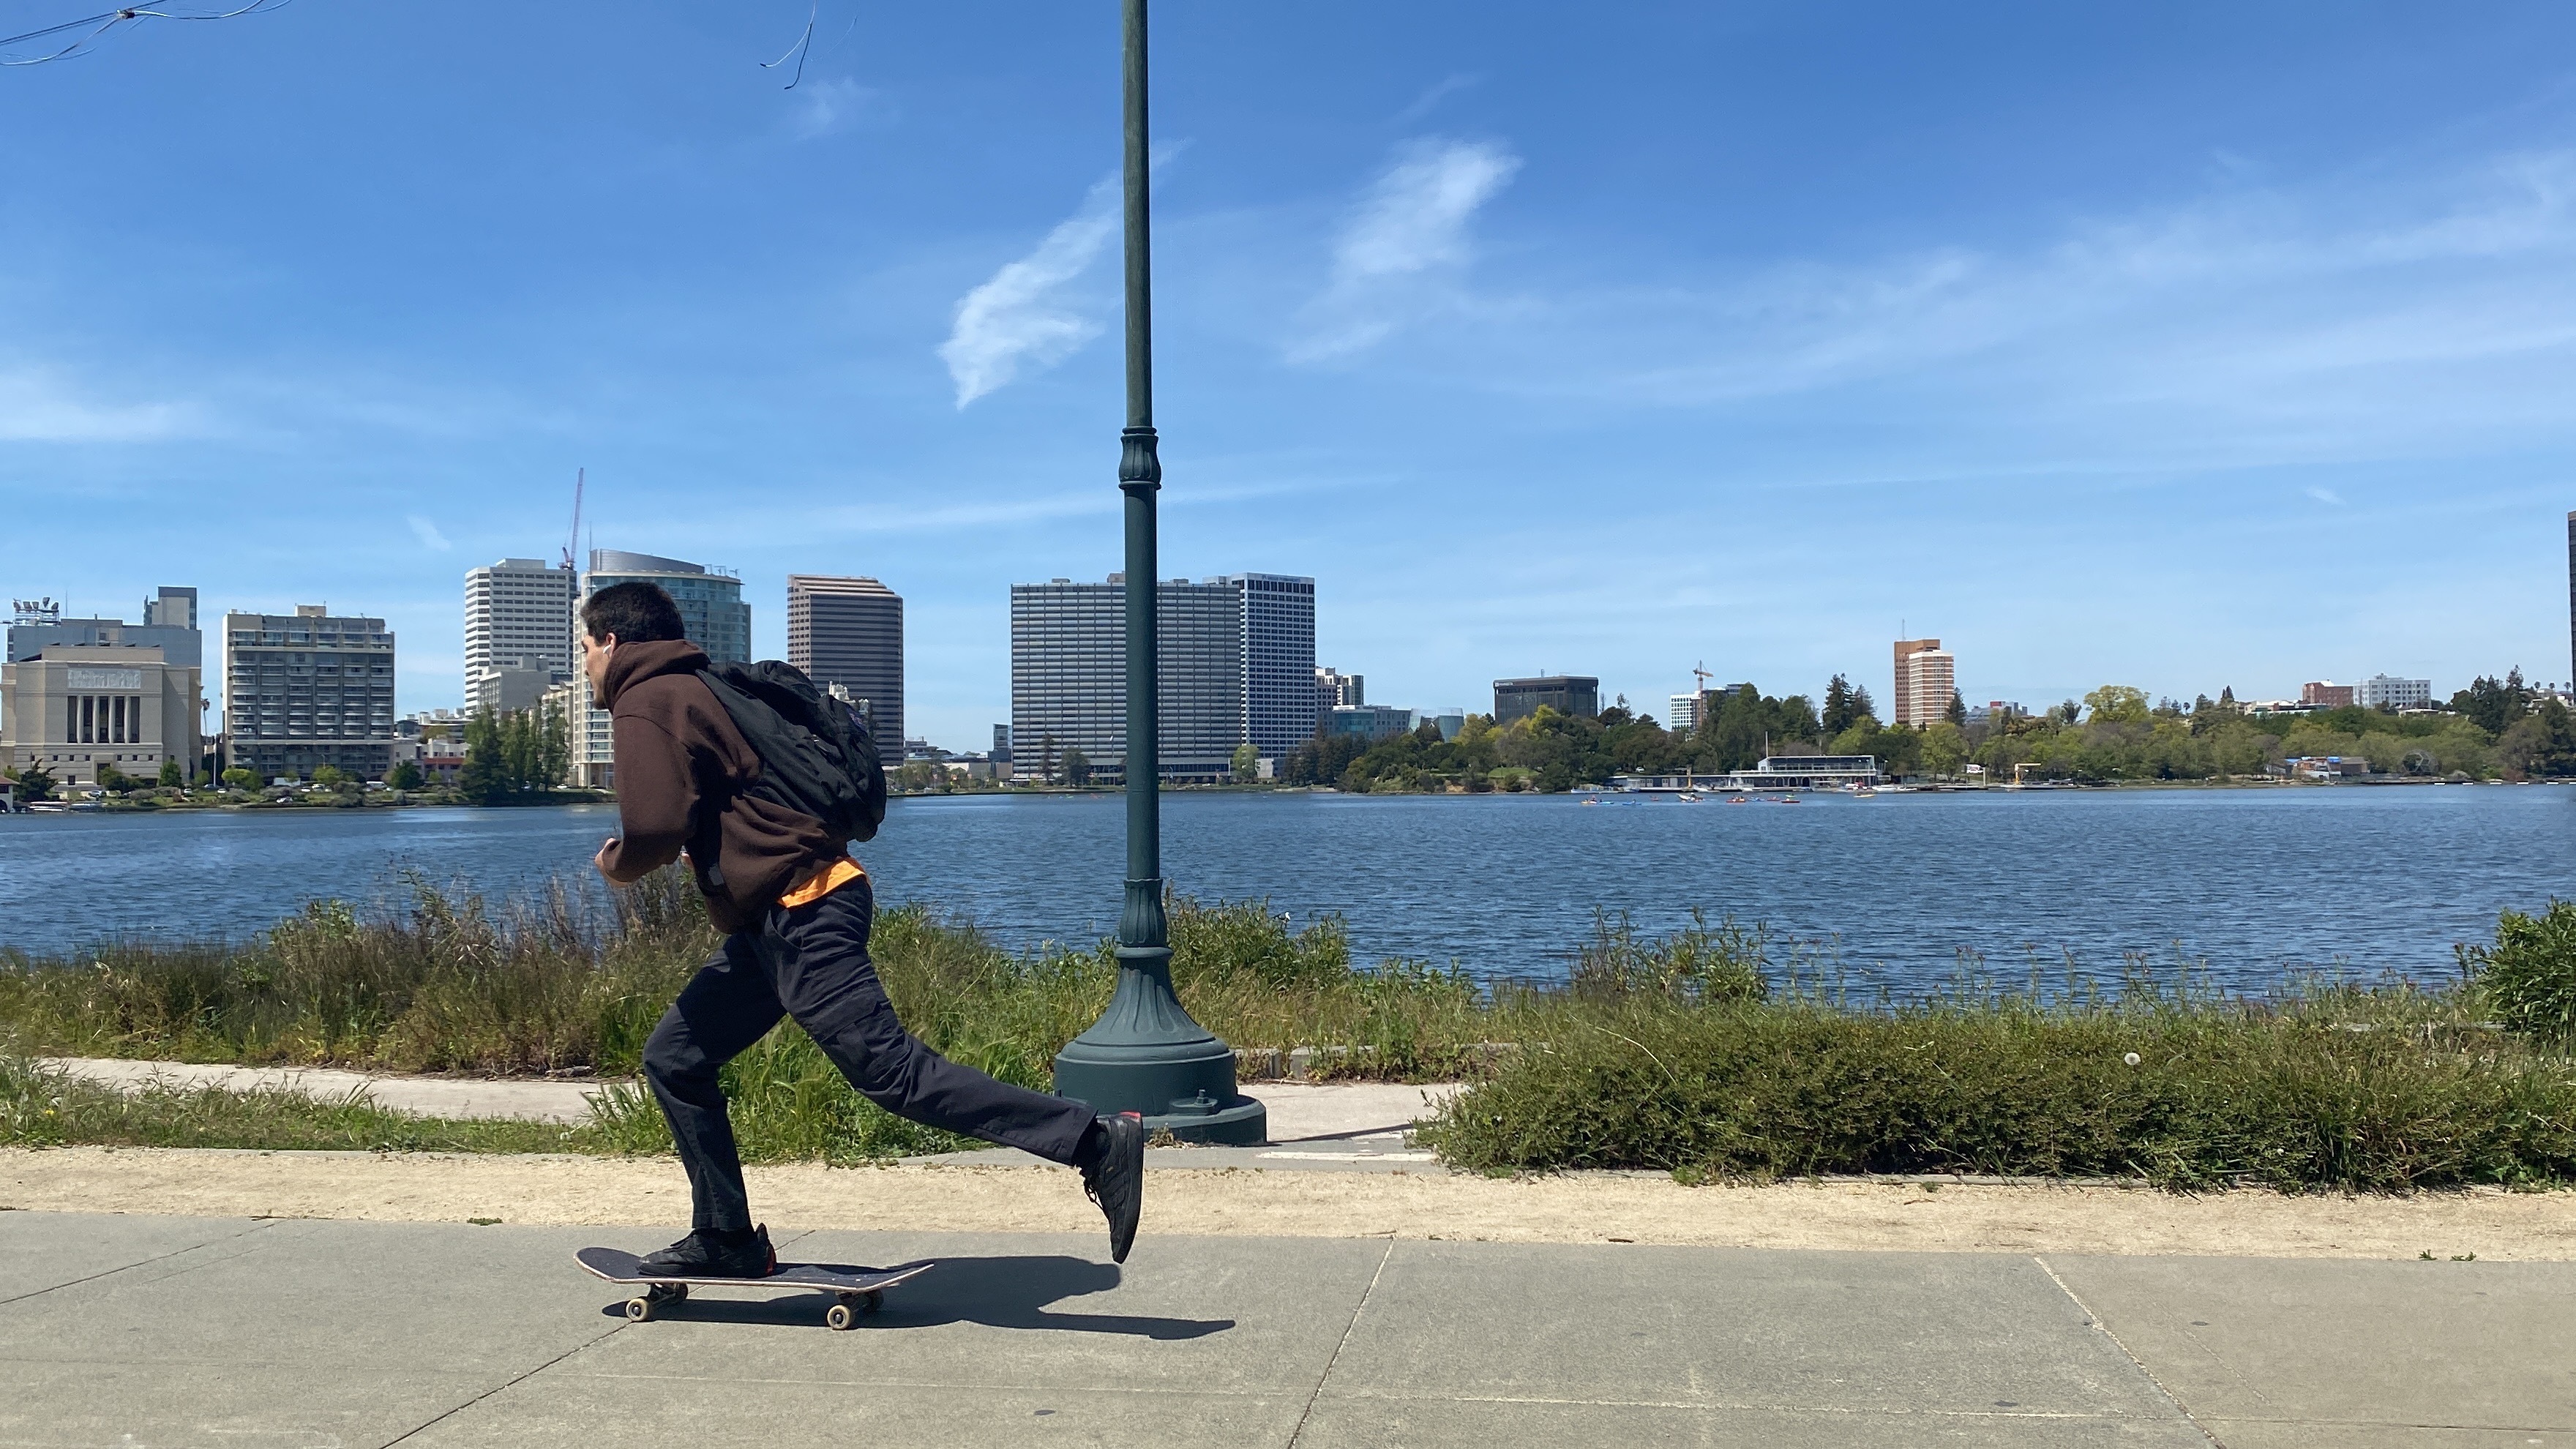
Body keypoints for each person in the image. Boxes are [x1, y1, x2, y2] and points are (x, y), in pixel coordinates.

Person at [578, 580, 1145, 1275]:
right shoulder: (707, 686)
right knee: (676, 1058)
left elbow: (654, 829)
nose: (584, 665)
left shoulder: (647, 697)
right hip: (781, 918)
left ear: (611, 642)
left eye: (584, 648)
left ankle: (1094, 1141)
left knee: (893, 1073)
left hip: (802, 911)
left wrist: (617, 864)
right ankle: (724, 1236)